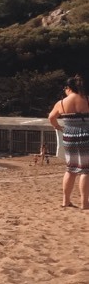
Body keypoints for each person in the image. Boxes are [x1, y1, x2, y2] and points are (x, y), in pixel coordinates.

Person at [48, 75, 89, 209]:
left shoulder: (61, 103)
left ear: (68, 88)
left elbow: (51, 117)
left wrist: (57, 127)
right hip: (86, 137)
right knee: (85, 170)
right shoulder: (87, 100)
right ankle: (84, 203)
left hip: (69, 137)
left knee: (70, 169)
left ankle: (66, 201)